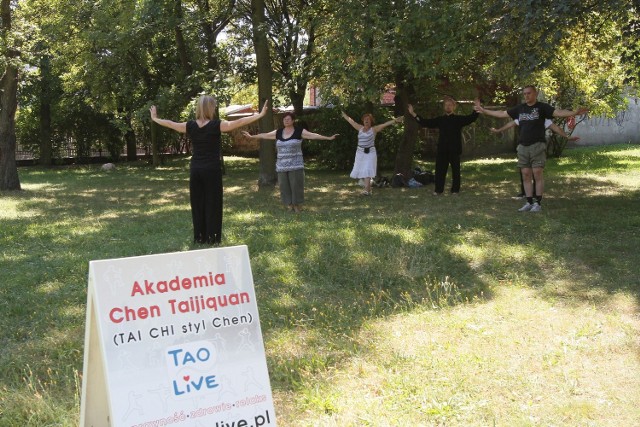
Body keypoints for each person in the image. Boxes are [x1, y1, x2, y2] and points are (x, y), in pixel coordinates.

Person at [150, 97, 269, 245]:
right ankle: (212, 237)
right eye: (213, 107)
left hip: (196, 169)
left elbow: (171, 124)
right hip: (211, 170)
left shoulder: (190, 125)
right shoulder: (216, 125)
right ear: (209, 108)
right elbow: (238, 123)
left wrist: (155, 118)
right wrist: (259, 115)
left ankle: (199, 237)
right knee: (213, 203)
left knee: (198, 203)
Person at [475, 85, 587, 212]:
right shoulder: (520, 109)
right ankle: (528, 202)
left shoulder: (542, 108)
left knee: (537, 173)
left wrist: (574, 113)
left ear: (535, 94)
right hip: (523, 146)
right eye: (524, 94)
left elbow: (558, 113)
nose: (526, 96)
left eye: (529, 93)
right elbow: (502, 114)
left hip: (537, 146)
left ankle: (537, 203)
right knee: (526, 174)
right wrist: (483, 110)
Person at [241, 112, 338, 212]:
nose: (286, 121)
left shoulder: (299, 131)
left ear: (293, 120)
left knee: (296, 186)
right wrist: (252, 137)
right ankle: (289, 205)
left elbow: (313, 135)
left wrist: (328, 138)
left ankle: (297, 206)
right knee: (284, 186)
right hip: (281, 166)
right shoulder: (278, 132)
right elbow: (265, 135)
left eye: (288, 119)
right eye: (284, 119)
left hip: (296, 165)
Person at [491, 118, 580, 198]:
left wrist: (567, 137)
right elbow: (511, 123)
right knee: (525, 172)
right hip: (524, 148)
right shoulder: (523, 116)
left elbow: (555, 128)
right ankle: (525, 193)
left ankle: (536, 195)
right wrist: (499, 130)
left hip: (537, 149)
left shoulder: (543, 118)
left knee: (536, 172)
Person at [408, 96, 479, 195]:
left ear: (454, 107)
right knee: (440, 172)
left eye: (450, 105)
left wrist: (477, 107)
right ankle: (438, 190)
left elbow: (471, 118)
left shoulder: (458, 119)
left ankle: (455, 190)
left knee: (456, 172)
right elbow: (425, 122)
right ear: (444, 107)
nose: (448, 107)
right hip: (442, 150)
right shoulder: (440, 120)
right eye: (446, 105)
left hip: (455, 150)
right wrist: (413, 114)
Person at [341, 112, 403, 195]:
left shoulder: (374, 129)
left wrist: (395, 120)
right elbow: (351, 121)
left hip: (370, 152)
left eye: (368, 119)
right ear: (363, 121)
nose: (366, 120)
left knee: (367, 170)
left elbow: (384, 124)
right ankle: (368, 187)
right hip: (360, 153)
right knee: (363, 171)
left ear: (371, 121)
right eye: (365, 119)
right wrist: (344, 115)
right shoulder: (359, 128)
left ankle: (367, 191)